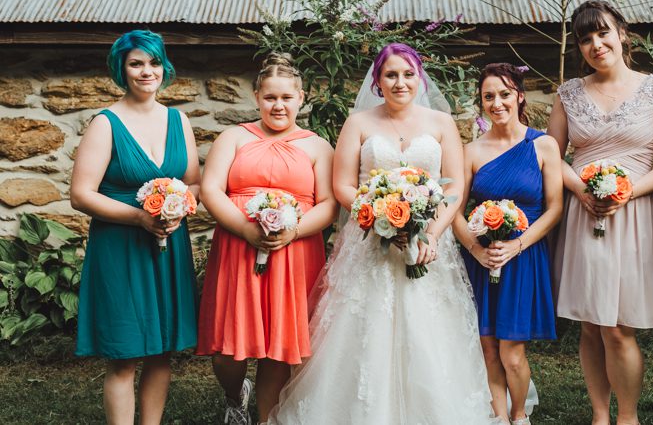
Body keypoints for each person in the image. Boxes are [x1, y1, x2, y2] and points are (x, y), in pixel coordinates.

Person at [271, 43, 499, 424]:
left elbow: (455, 187)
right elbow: (343, 185)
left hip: (428, 246)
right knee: (364, 329)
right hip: (370, 244)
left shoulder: (441, 123)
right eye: (391, 75)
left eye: (408, 74)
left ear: (419, 78)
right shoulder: (359, 123)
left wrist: (431, 234)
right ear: (377, 80)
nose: (400, 82)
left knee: (429, 332)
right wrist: (378, 217)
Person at [547, 0, 653, 425]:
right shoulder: (568, 94)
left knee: (619, 326)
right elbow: (550, 155)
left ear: (622, 33)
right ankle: (599, 415)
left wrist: (628, 192)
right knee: (591, 323)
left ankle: (628, 416)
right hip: (584, 212)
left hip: (633, 214)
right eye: (586, 38)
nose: (596, 44)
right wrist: (580, 189)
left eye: (603, 33)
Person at [197, 53, 338, 425]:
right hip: (238, 247)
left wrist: (294, 231)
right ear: (257, 96)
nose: (278, 105)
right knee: (227, 351)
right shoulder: (233, 137)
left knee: (278, 348)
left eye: (286, 97)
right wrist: (244, 228)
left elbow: (328, 204)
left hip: (295, 252)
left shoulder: (317, 146)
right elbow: (211, 190)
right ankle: (234, 394)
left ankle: (266, 419)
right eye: (270, 97)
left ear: (301, 98)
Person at [71, 30, 200, 424]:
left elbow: (193, 183)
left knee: (162, 351)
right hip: (120, 247)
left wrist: (177, 210)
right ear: (121, 70)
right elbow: (81, 194)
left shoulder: (179, 120)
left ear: (165, 67)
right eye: (136, 63)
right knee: (124, 355)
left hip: (168, 245)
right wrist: (139, 217)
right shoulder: (105, 123)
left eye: (154, 62)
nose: (147, 71)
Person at [454, 63, 563, 425]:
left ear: (519, 96)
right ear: (481, 102)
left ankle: (519, 415)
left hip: (523, 257)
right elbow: (454, 211)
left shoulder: (543, 145)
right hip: (481, 259)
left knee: (512, 354)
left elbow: (554, 209)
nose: (496, 103)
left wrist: (517, 246)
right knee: (487, 349)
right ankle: (499, 418)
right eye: (488, 96)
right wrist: (476, 250)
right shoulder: (471, 151)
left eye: (504, 94)